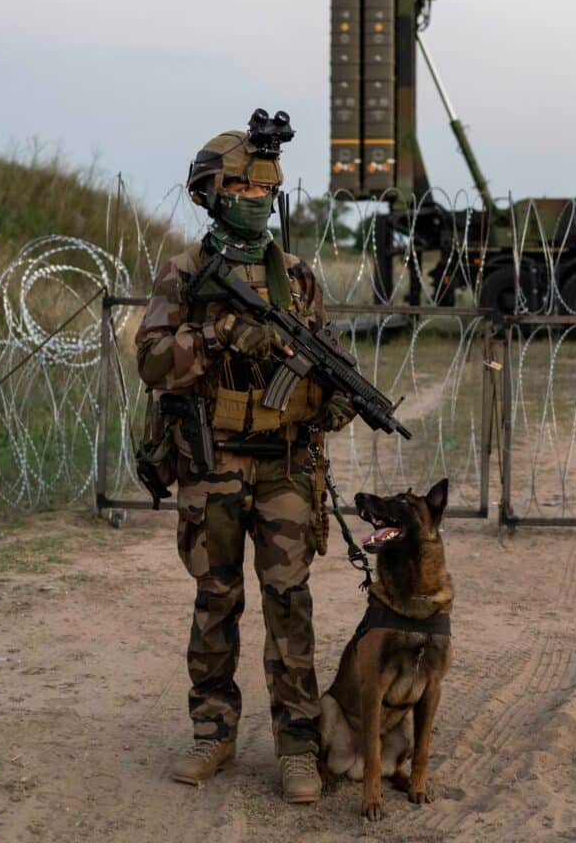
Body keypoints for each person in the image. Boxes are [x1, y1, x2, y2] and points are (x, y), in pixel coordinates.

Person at [135, 117, 354, 803]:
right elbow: (150, 360)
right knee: (216, 600)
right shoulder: (185, 274)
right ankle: (213, 732)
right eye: (240, 187)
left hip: (285, 464)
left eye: (263, 189)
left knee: (290, 603)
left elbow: (330, 365)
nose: (254, 199)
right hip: (214, 461)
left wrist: (332, 394)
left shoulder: (297, 278)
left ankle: (298, 745)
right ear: (211, 195)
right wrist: (221, 334)